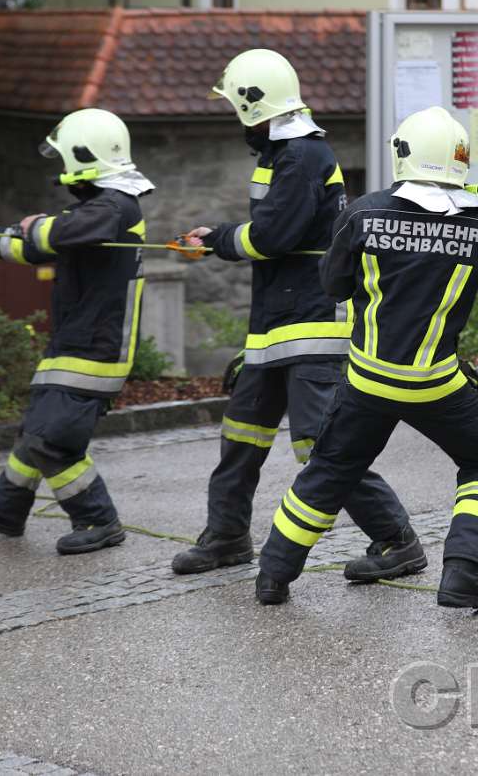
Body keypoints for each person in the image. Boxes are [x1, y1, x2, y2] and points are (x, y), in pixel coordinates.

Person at [254, 106, 478, 609]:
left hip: (367, 380)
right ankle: (466, 573)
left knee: (330, 467)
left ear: (403, 154)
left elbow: (333, 284)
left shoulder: (363, 213)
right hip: (436, 382)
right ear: (459, 160)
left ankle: (273, 575)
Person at [170, 48, 423, 582]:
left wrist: (218, 239)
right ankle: (227, 536)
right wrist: (219, 239)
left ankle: (396, 539)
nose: (236, 118)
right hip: (275, 325)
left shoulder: (302, 156)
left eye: (236, 107)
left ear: (253, 106)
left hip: (310, 324)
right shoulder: (282, 154)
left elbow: (272, 236)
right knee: (242, 435)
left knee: (320, 444)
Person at [0, 108, 150, 555]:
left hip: (97, 349)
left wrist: (37, 227)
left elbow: (49, 233)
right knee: (35, 428)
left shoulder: (115, 207)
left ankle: (98, 519)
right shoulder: (93, 210)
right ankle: (6, 505)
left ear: (83, 158)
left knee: (54, 440)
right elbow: (31, 247)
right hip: (75, 341)